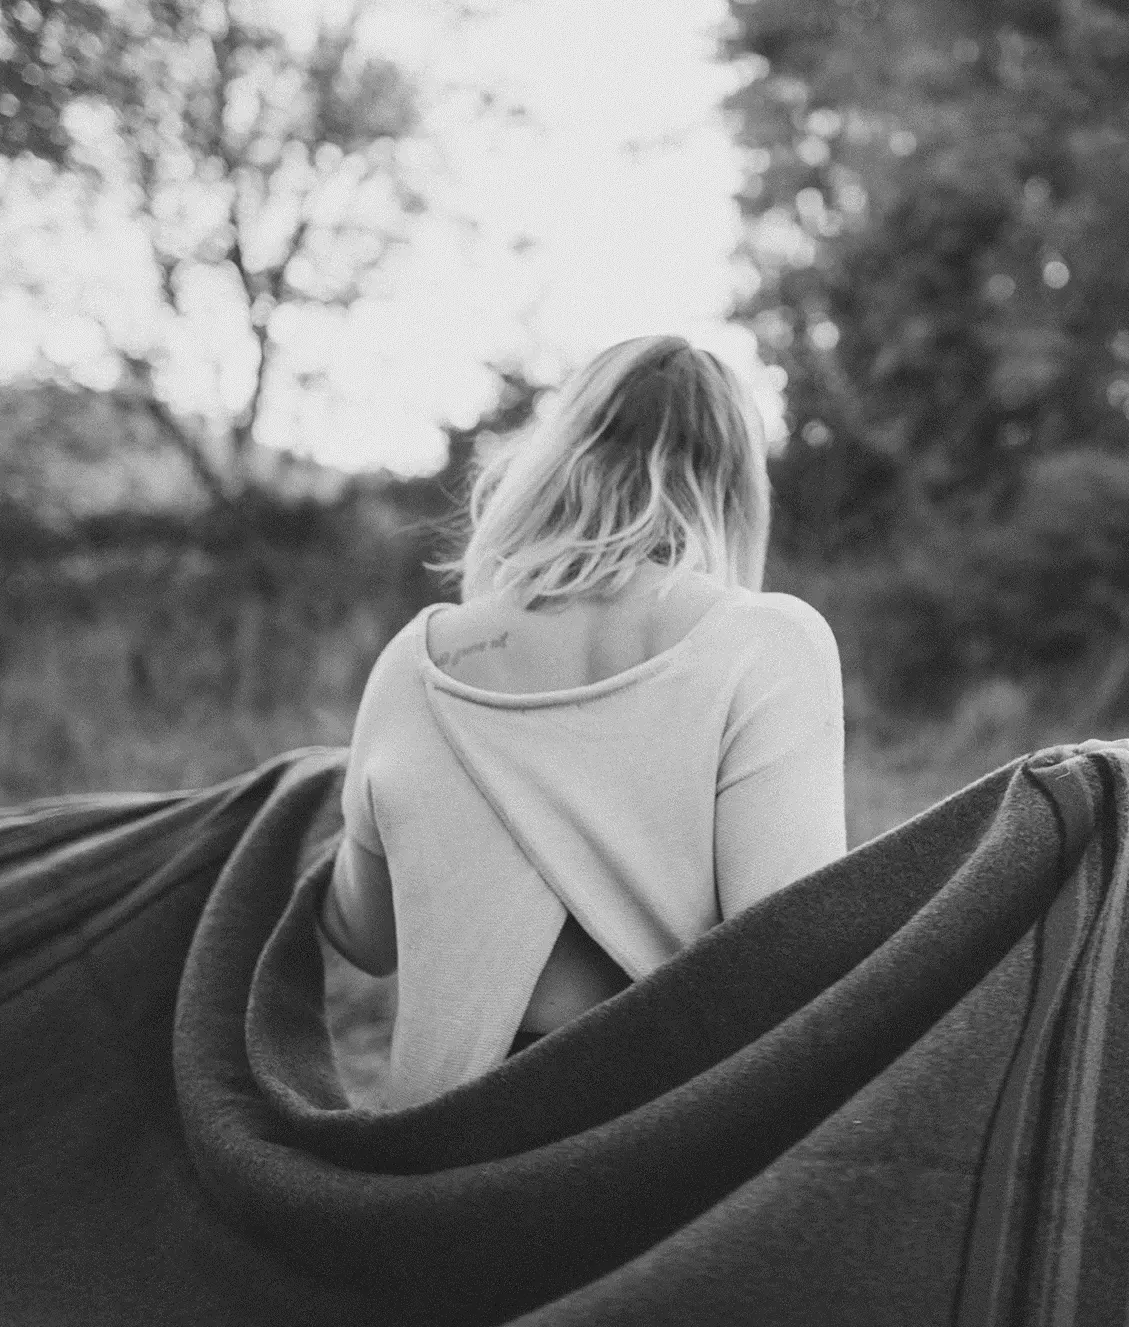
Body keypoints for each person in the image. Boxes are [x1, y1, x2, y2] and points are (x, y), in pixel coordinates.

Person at [320, 335, 847, 1108]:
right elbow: (792, 963)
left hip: (442, 1151)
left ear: (556, 457)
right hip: (656, 1144)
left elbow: (365, 937)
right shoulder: (765, 642)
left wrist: (317, 814)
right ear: (735, 487)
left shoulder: (416, 661)